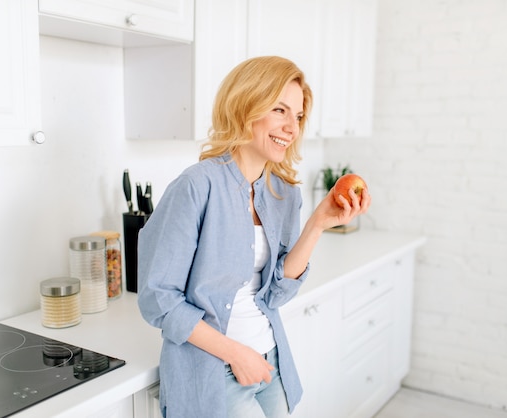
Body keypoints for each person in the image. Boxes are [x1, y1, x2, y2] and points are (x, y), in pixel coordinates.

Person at [137, 55, 371, 418]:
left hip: (270, 360)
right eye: (279, 110)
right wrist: (235, 354)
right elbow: (158, 300)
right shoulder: (196, 187)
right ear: (246, 104)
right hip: (214, 371)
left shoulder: (282, 193)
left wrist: (318, 224)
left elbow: (276, 292)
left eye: (297, 116)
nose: (291, 127)